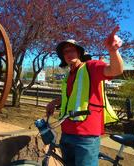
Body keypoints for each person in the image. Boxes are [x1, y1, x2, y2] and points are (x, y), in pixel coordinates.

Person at [46, 26, 123, 166]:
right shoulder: (68, 75)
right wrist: (54, 102)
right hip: (66, 133)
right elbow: (70, 97)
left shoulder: (91, 67)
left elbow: (115, 70)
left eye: (72, 50)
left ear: (79, 52)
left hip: (86, 137)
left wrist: (113, 51)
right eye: (65, 52)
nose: (69, 53)